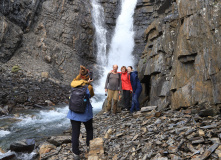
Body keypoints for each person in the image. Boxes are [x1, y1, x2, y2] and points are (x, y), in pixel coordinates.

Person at [67, 71, 94, 160]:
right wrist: (89, 84)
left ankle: (76, 153)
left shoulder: (73, 84)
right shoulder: (88, 87)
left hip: (73, 113)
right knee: (89, 129)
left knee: (75, 132)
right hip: (85, 113)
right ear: (87, 79)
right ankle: (89, 146)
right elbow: (91, 95)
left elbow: (75, 79)